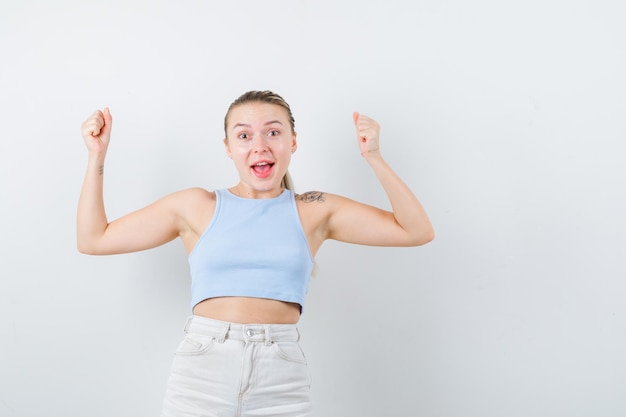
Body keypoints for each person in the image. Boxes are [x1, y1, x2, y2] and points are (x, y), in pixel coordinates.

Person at [78, 90, 434, 417]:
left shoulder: (313, 209)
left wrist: (373, 156)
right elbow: (94, 239)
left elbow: (415, 230)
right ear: (229, 147)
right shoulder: (196, 205)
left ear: (293, 143)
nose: (260, 146)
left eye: (274, 133)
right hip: (202, 369)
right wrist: (97, 155)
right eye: (245, 135)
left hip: (280, 374)